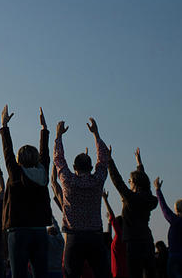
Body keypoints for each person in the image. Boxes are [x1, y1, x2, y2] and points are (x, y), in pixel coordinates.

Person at [54, 117, 111, 278]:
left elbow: (58, 159)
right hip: (95, 236)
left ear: (74, 167)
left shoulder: (68, 181)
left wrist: (59, 136)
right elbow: (104, 159)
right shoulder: (97, 180)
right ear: (91, 167)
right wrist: (96, 135)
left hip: (74, 237)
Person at [0, 106, 51, 278]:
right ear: (36, 159)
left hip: (19, 231)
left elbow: (7, 151)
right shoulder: (43, 174)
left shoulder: (16, 174)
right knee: (41, 274)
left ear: (18, 160)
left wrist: (4, 126)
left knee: (19, 275)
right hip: (39, 230)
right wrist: (44, 130)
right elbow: (45, 155)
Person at [108, 149, 158, 278]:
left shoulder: (131, 198)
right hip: (147, 240)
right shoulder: (148, 198)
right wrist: (139, 164)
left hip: (133, 244)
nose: (128, 182)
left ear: (134, 183)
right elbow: (144, 185)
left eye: (130, 181)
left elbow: (117, 181)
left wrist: (109, 161)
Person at [155, 178, 182, 278]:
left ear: (176, 210)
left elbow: (164, 208)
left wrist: (158, 191)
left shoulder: (175, 221)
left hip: (177, 261)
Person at [102, 191, 128, 278]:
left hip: (117, 272)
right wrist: (123, 203)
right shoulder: (126, 237)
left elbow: (112, 216)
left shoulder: (119, 236)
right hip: (125, 271)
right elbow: (124, 217)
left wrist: (105, 200)